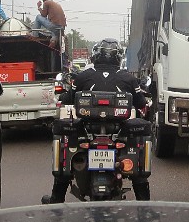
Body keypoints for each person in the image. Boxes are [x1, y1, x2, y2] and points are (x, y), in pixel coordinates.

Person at [42, 38, 152, 204]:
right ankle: (144, 206)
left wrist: (62, 95)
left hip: (88, 130)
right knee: (139, 148)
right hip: (117, 131)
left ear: (95, 56)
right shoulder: (128, 79)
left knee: (64, 141)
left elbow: (67, 98)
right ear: (118, 57)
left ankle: (57, 199)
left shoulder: (83, 76)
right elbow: (141, 103)